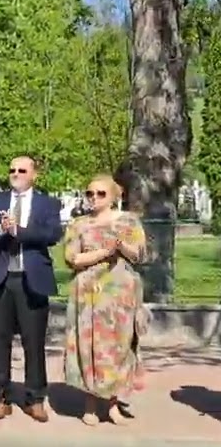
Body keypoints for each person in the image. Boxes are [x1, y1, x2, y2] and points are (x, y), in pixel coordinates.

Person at [0, 156, 64, 422]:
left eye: (22, 170)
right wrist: (0, 230)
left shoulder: (47, 204)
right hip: (0, 280)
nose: (15, 174)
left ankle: (34, 398)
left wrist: (18, 231)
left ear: (33, 175)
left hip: (31, 279)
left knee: (33, 343)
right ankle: (0, 398)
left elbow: (51, 235)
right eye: (12, 170)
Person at [62, 175, 147, 425]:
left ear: (113, 197)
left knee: (117, 348)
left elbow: (139, 255)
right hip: (88, 292)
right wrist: (104, 252)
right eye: (90, 193)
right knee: (89, 347)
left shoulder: (128, 221)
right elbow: (72, 259)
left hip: (119, 295)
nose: (94, 198)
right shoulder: (78, 225)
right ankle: (89, 404)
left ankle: (112, 404)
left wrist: (121, 246)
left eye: (100, 194)